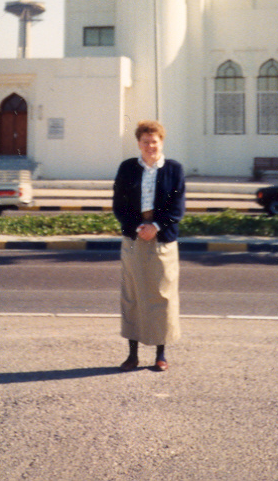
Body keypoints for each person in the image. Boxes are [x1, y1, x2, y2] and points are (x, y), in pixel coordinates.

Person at [112, 120, 186, 372]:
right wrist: (138, 227)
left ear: (161, 142)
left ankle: (160, 355)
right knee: (132, 295)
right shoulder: (127, 168)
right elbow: (119, 205)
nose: (150, 146)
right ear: (138, 143)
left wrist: (156, 226)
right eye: (145, 141)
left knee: (162, 296)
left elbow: (177, 207)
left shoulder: (174, 169)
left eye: (154, 141)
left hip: (162, 238)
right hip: (134, 238)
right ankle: (132, 355)